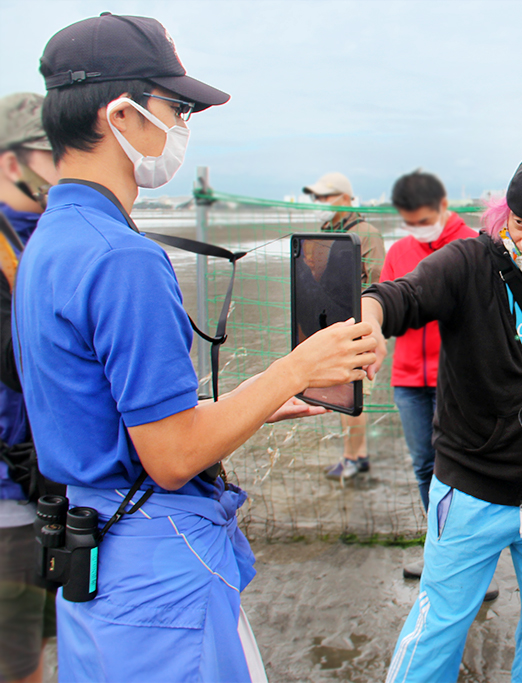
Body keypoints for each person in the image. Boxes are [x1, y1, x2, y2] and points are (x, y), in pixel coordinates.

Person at [15, 14, 377, 682]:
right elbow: (174, 454)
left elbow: (114, 411)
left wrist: (248, 401)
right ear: (120, 114)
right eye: (176, 107)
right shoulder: (123, 258)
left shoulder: (49, 240)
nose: (182, 125)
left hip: (94, 552)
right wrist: (294, 367)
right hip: (154, 558)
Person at [365, 151, 522, 683]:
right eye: (519, 223)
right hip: (470, 492)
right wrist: (370, 323)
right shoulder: (470, 263)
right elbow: (398, 296)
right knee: (439, 624)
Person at [384, 170, 478, 580]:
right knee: (424, 465)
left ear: (443, 206)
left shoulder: (473, 246)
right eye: (410, 223)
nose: (418, 231)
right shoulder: (399, 252)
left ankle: (469, 561)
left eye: (424, 220)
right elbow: (386, 307)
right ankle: (439, 550)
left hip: (457, 379)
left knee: (459, 469)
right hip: (407, 378)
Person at [0, 92, 59, 683]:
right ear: (10, 162)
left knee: (52, 631)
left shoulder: (50, 236)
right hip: (9, 493)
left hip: (52, 481)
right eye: (50, 153)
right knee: (16, 658)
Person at [304, 172, 385, 481]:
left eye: (327, 196)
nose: (321, 203)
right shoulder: (326, 230)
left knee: (353, 393)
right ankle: (354, 455)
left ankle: (355, 457)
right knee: (339, 392)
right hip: (328, 323)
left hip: (356, 327)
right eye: (318, 197)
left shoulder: (366, 232)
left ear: (346, 198)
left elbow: (379, 283)